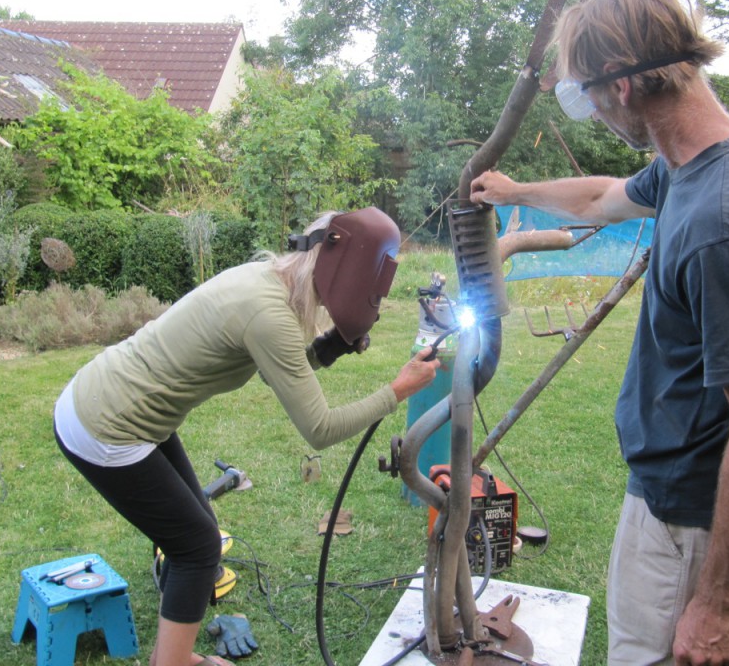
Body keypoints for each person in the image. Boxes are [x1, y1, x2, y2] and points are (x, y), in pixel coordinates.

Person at [470, 0, 729, 666]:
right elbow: (603, 197)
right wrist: (516, 193)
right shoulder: (693, 163)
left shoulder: (726, 222)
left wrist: (716, 605)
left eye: (585, 96)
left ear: (619, 87)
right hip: (668, 492)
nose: (592, 113)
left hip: (696, 515)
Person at [53, 207, 439, 666]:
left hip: (123, 407)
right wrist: (397, 391)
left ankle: (170, 654)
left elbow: (273, 366)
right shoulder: (269, 314)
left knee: (196, 529)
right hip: (106, 425)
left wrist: (330, 346)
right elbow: (319, 428)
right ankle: (172, 663)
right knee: (197, 545)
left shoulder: (266, 282)